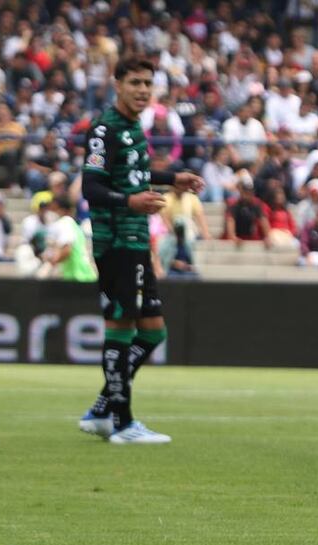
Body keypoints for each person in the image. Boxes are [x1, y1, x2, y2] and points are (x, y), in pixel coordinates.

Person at [77, 57, 204, 445]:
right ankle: (122, 423)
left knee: (153, 332)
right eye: (135, 82)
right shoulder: (105, 128)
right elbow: (91, 187)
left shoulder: (133, 126)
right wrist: (129, 203)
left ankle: (102, 408)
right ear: (117, 84)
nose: (143, 90)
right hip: (115, 241)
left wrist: (171, 178)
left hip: (135, 241)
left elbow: (133, 174)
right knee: (122, 326)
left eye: (148, 83)